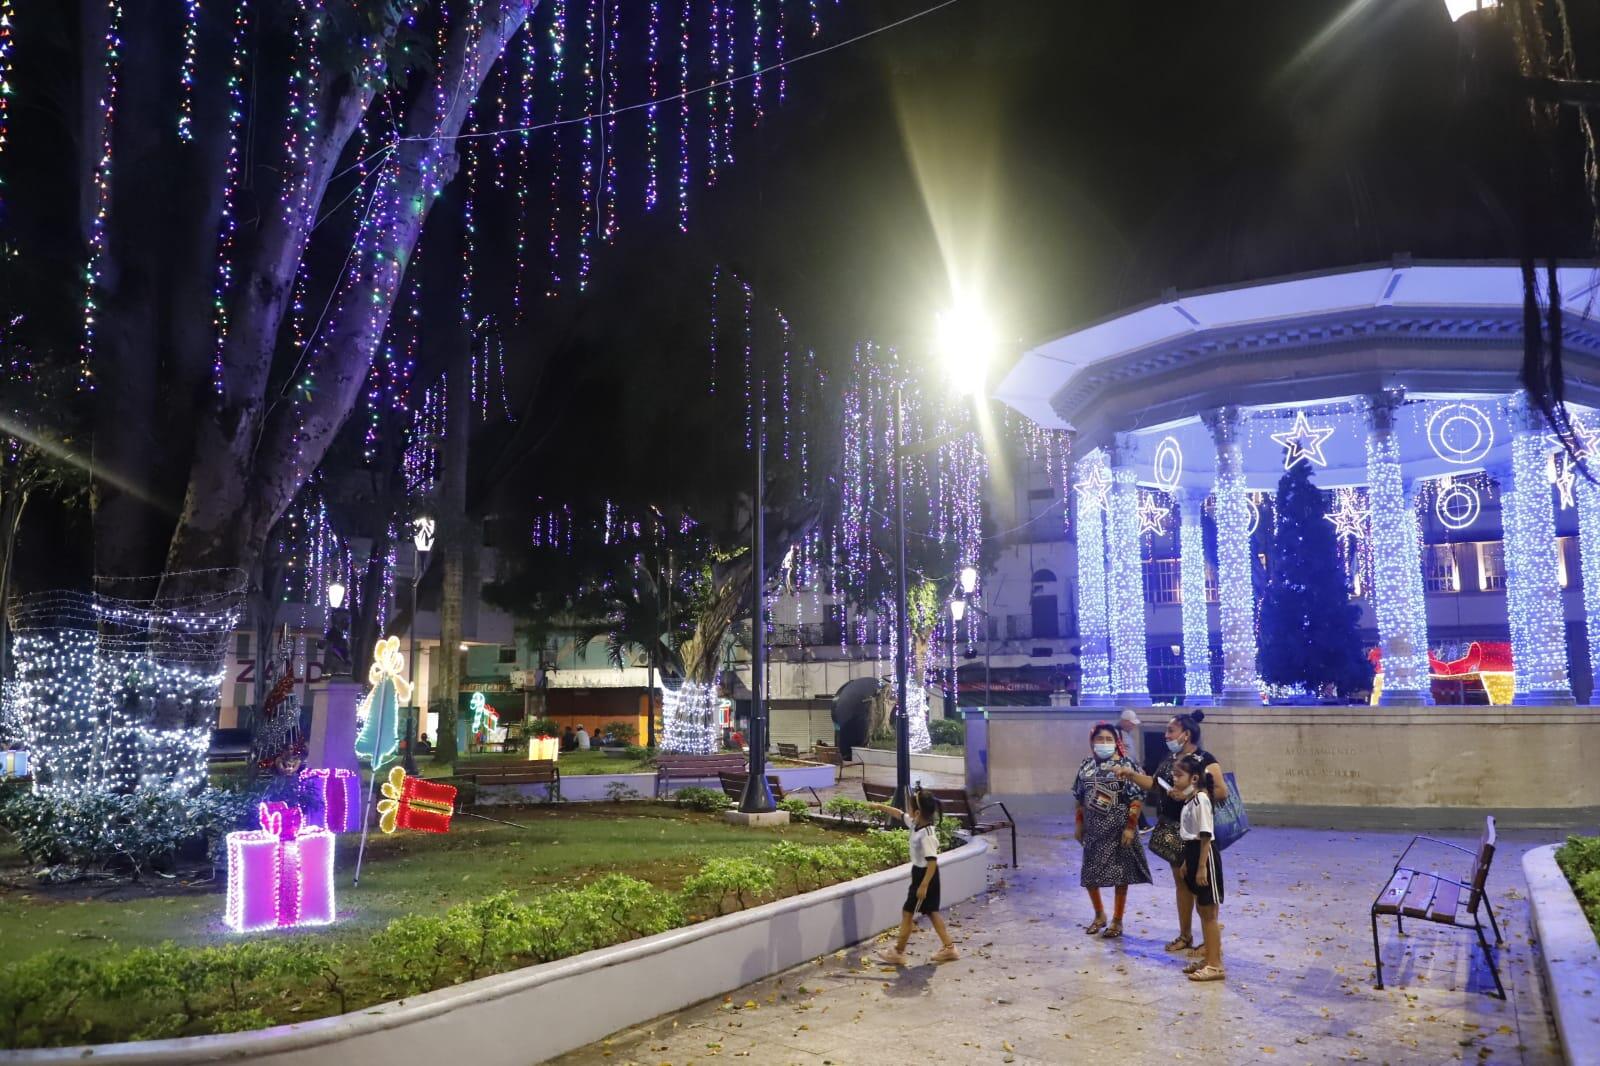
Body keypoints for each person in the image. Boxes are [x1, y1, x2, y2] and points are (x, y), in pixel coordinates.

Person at [1114, 710, 1229, 954]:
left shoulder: (1204, 759)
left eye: (1171, 731)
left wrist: (1189, 794)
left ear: (1186, 735)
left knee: (1202, 887)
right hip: (1174, 832)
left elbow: (1221, 791)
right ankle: (1185, 935)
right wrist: (1133, 775)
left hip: (1198, 834)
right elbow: (1156, 784)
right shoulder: (1172, 759)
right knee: (1182, 883)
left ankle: (1210, 945)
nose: (1166, 735)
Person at [1073, 722, 1152, 937]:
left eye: (1109, 739)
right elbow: (1079, 797)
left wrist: (1130, 828)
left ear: (1116, 742)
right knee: (1090, 874)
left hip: (1119, 830)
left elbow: (1136, 798)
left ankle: (1118, 920)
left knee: (1120, 875)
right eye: (1100, 739)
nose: (1104, 743)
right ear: (1092, 741)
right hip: (1094, 830)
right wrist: (1079, 824)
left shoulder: (1126, 764)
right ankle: (1099, 915)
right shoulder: (1086, 765)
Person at [866, 786, 960, 965]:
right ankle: (949, 948)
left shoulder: (927, 835)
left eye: (910, 808)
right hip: (920, 874)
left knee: (908, 912)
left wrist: (923, 885)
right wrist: (880, 807)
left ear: (917, 812)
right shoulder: (916, 823)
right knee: (931, 912)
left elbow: (932, 862)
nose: (907, 812)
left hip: (926, 876)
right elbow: (898, 814)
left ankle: (898, 952)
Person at [1173, 753, 1226, 981]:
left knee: (1209, 913)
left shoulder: (1202, 799)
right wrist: (1187, 861)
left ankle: (1215, 965)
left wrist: (1202, 866)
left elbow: (1205, 835)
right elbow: (1190, 834)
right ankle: (1209, 958)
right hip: (1193, 853)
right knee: (1202, 911)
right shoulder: (1190, 799)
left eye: (1179, 775)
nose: (1175, 779)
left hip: (1205, 855)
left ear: (1194, 778)